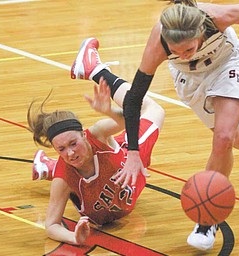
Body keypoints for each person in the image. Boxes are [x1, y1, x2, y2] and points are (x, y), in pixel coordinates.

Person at [70, 0, 239, 251]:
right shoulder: (159, 40)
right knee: (226, 136)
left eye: (188, 49)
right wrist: (132, 153)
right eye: (176, 52)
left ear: (199, 33)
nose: (183, 55)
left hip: (227, 64)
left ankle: (207, 218)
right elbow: (134, 100)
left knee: (222, 137)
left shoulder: (218, 17)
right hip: (190, 79)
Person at [28, 75, 165, 245]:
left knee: (155, 109)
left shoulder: (98, 134)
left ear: (84, 134)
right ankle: (50, 167)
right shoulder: (63, 179)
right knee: (63, 169)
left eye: (73, 143)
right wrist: (74, 238)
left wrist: (108, 111)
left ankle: (94, 68)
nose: (70, 153)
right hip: (109, 210)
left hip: (131, 159)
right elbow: (51, 225)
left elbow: (131, 118)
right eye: (61, 149)